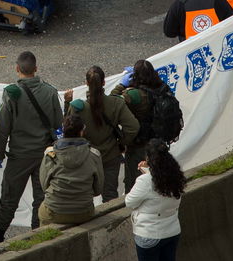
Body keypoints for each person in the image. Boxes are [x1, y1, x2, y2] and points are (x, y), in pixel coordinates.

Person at [0, 51, 65, 245]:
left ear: (17, 69)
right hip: (44, 154)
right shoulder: (50, 91)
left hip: (19, 155)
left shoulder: (12, 93)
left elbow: (3, 128)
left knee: (9, 196)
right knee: (41, 198)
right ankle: (37, 235)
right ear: (36, 69)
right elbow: (57, 122)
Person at [62, 66, 138, 203]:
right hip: (111, 155)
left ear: (86, 83)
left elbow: (68, 131)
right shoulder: (116, 103)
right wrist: (122, 143)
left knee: (84, 195)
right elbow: (133, 127)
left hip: (86, 157)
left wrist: (67, 104)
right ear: (103, 83)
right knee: (110, 197)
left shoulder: (77, 107)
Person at [113, 60, 171, 194]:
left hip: (139, 145)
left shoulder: (134, 94)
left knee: (135, 182)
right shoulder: (162, 88)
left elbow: (112, 102)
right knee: (157, 177)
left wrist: (122, 84)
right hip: (159, 142)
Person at [35, 111, 103, 226]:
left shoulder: (50, 155)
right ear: (82, 131)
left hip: (54, 211)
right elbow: (98, 189)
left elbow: (44, 186)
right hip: (84, 211)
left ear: (63, 131)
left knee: (42, 210)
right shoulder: (94, 155)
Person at [124, 140, 184, 261]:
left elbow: (129, 202)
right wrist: (148, 171)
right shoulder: (176, 175)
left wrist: (145, 174)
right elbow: (158, 183)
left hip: (149, 234)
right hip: (172, 231)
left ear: (148, 158)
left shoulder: (144, 181)